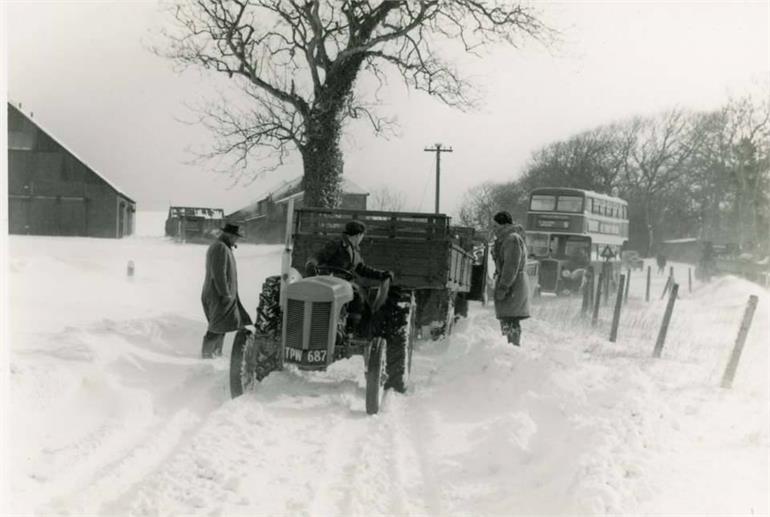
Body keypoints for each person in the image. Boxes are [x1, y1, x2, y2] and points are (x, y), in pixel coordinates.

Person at [305, 220, 393, 329]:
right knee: (357, 296)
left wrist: (381, 274)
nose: (361, 239)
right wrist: (312, 263)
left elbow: (361, 268)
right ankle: (343, 327)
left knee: (359, 298)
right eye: (362, 236)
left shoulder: (354, 252)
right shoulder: (337, 244)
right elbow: (319, 255)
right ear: (357, 235)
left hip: (344, 284)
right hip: (330, 281)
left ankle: (348, 330)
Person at [200, 223, 253, 358]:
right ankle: (207, 356)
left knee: (221, 326)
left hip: (221, 295)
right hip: (218, 296)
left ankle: (215, 354)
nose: (236, 241)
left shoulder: (223, 247)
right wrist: (225, 293)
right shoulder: (220, 248)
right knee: (216, 327)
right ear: (229, 236)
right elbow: (219, 274)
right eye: (235, 238)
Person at [491, 211, 531, 346]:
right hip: (512, 283)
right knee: (508, 320)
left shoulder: (511, 239)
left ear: (503, 225)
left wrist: (503, 287)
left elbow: (511, 265)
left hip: (513, 285)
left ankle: (514, 348)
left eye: (495, 226)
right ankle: (512, 348)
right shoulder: (507, 238)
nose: (494, 229)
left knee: (511, 320)